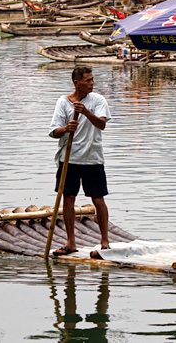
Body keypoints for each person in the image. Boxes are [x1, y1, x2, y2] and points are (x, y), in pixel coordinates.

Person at [49, 66, 110, 255]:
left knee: (98, 199)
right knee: (68, 198)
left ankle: (105, 241)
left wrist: (85, 113)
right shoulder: (63, 102)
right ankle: (70, 242)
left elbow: (102, 124)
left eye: (93, 80)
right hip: (69, 159)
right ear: (77, 83)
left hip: (92, 158)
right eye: (88, 80)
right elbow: (53, 131)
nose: (92, 83)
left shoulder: (98, 100)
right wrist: (67, 128)